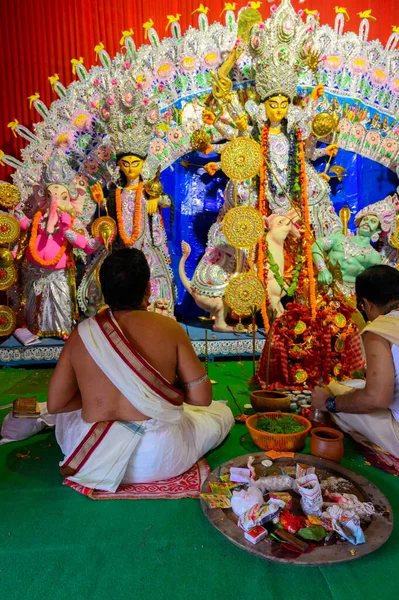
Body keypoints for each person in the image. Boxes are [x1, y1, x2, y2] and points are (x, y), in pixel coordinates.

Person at [48, 248, 234, 491]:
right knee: (221, 414)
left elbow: (56, 405)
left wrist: (97, 396)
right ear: (148, 288)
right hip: (160, 456)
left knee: (66, 417)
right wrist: (160, 394)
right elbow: (202, 399)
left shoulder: (82, 334)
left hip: (93, 454)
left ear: (103, 289)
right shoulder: (170, 329)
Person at [311, 265, 399, 458]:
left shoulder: (380, 329)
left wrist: (329, 403)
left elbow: (377, 398)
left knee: (336, 394)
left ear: (366, 304)